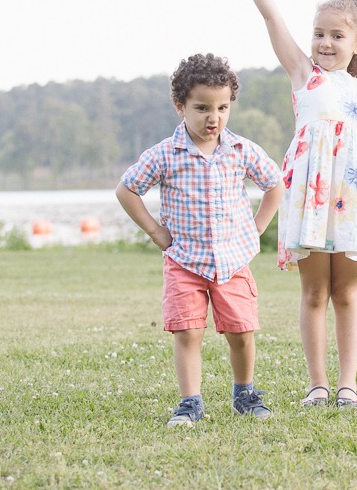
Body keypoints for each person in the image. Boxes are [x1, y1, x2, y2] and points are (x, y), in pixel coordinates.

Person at [230, 0, 357, 409]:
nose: (324, 43)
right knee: (315, 291)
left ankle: (347, 386)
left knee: (346, 292)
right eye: (319, 33)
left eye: (337, 36)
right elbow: (272, 16)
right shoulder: (303, 74)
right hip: (312, 195)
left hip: (350, 198)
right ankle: (318, 384)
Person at [115, 53, 283, 427]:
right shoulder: (165, 154)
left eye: (223, 107)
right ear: (181, 107)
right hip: (184, 261)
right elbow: (126, 190)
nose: (214, 117)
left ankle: (245, 394)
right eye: (203, 108)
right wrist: (156, 232)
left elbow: (275, 184)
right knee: (188, 330)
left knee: (241, 330)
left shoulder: (241, 150)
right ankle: (190, 402)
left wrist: (257, 227)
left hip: (233, 261)